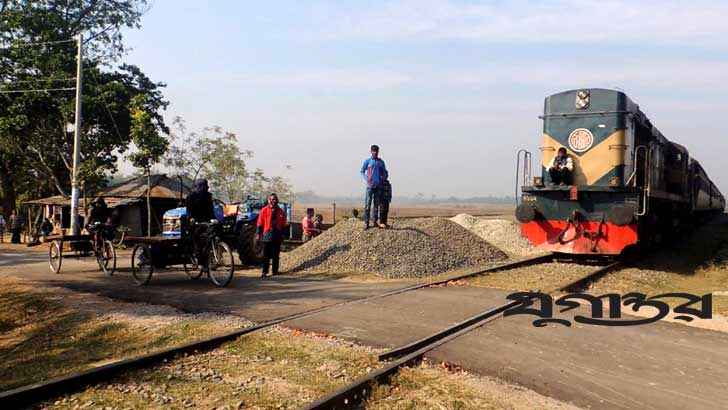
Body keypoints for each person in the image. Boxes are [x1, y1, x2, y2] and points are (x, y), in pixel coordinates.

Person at [185, 178, 216, 266]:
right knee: (198, 238)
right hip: (195, 222)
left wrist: (214, 219)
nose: (206, 188)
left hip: (206, 221)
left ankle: (214, 252)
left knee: (216, 231)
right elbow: (189, 211)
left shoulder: (208, 196)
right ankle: (198, 256)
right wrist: (191, 218)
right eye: (204, 186)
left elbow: (211, 210)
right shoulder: (191, 197)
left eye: (206, 186)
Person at [257, 193, 288, 277]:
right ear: (269, 200)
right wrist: (259, 234)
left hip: (277, 235)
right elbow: (260, 223)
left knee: (276, 255)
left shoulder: (280, 211)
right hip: (267, 235)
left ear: (277, 200)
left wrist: (283, 235)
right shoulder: (264, 210)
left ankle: (275, 271)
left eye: (275, 199)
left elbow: (284, 224)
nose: (273, 201)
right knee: (266, 255)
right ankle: (264, 271)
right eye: (272, 199)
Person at [359, 144, 388, 229]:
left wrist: (382, 179)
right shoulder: (367, 161)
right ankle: (366, 222)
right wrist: (367, 179)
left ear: (378, 152)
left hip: (378, 186)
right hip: (369, 186)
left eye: (376, 151)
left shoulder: (381, 162)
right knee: (367, 204)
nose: (375, 153)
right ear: (371, 151)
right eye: (373, 151)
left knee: (376, 205)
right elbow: (361, 171)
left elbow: (384, 173)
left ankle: (375, 222)